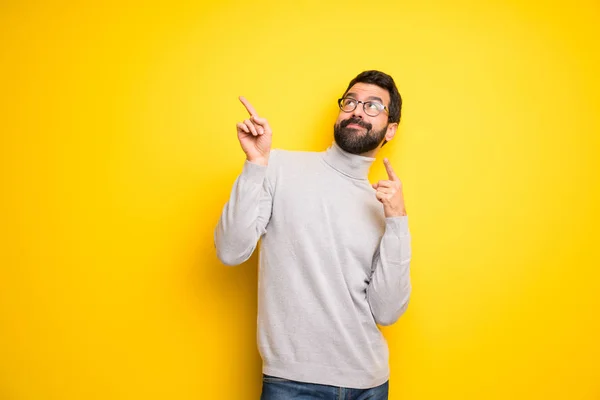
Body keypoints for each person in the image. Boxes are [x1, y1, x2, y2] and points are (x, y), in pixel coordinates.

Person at [214, 70, 412, 400]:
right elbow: (230, 250)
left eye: (373, 106)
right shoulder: (278, 167)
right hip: (291, 382)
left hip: (370, 383)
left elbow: (387, 311)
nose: (358, 111)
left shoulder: (383, 205)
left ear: (390, 129)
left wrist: (398, 222)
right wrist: (255, 165)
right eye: (351, 102)